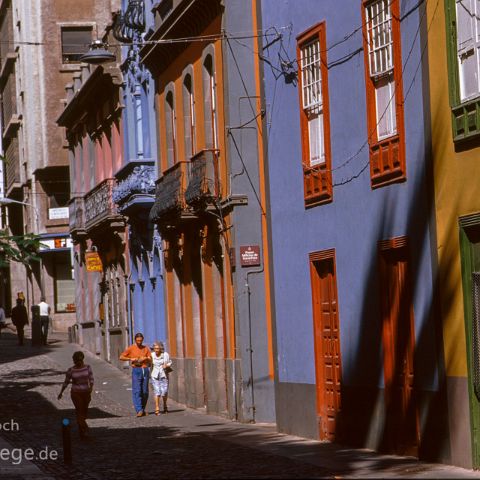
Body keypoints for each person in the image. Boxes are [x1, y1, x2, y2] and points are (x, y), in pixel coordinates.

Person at [58, 351, 94, 439]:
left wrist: (91, 388)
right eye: (76, 360)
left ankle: (81, 432)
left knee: (84, 412)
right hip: (76, 393)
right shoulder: (71, 370)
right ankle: (85, 430)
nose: (78, 362)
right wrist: (61, 392)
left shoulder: (87, 367)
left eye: (79, 360)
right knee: (79, 411)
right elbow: (66, 382)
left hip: (86, 393)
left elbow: (91, 379)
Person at [119, 333, 152, 417]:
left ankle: (142, 409)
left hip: (145, 370)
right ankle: (139, 410)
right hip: (136, 370)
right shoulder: (131, 348)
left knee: (144, 391)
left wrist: (146, 358)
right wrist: (131, 358)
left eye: (140, 341)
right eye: (138, 341)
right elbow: (121, 357)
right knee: (137, 390)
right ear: (135, 340)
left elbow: (150, 359)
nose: (139, 342)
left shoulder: (146, 348)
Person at [150, 341, 173, 415]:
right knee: (157, 392)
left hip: (164, 375)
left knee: (164, 391)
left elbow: (170, 362)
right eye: (155, 348)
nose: (156, 350)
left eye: (158, 348)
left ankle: (165, 405)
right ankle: (157, 408)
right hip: (155, 375)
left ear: (161, 349)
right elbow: (149, 364)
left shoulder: (165, 355)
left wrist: (167, 365)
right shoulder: (152, 355)